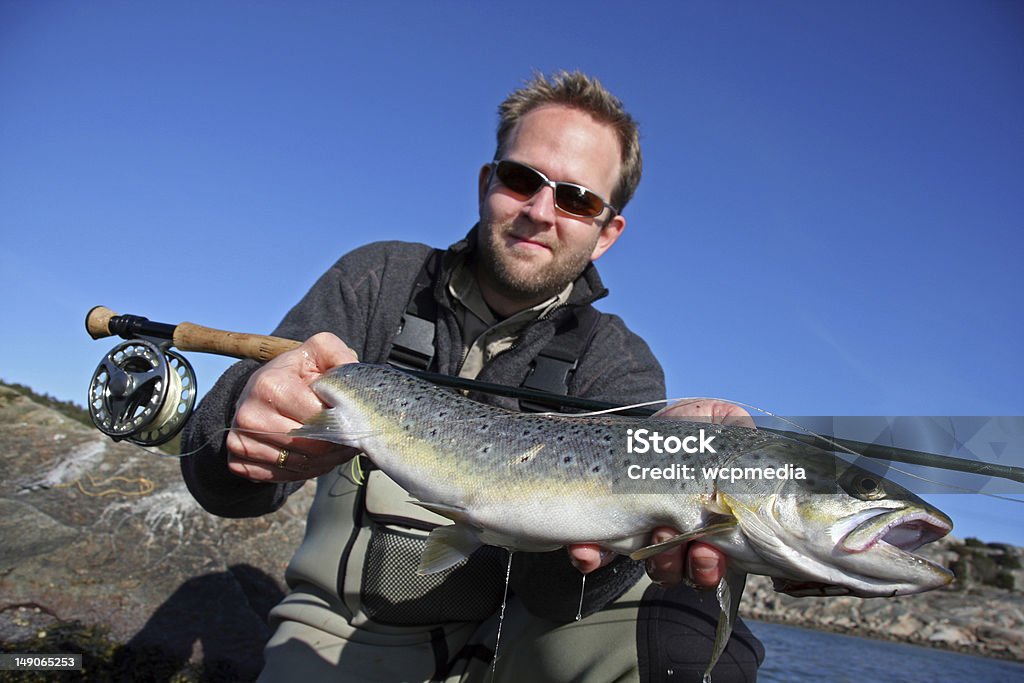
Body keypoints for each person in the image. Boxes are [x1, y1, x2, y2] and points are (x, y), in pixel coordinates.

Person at [181, 71, 764, 682]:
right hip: (335, 631)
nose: (541, 212)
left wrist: (626, 541)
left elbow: (563, 599)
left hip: (509, 645)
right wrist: (242, 415)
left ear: (606, 232)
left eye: (578, 199)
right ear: (487, 182)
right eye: (521, 180)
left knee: (697, 631)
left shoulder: (619, 362)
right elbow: (224, 489)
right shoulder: (378, 278)